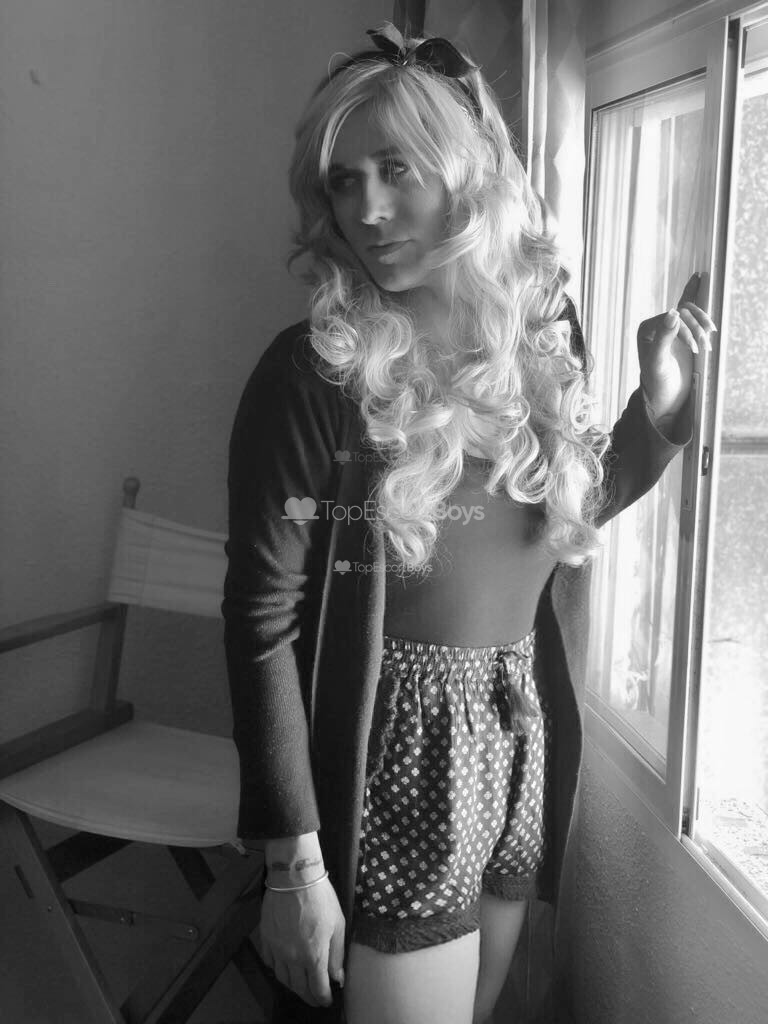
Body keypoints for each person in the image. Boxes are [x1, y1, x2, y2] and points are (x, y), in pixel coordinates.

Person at [222, 22, 716, 1024]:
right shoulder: (313, 373)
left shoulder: (534, 345)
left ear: (465, 175)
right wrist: (290, 865)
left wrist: (657, 411)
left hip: (514, 735)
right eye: (343, 181)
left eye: (394, 169)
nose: (366, 209)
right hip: (394, 759)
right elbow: (260, 620)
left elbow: (557, 515)